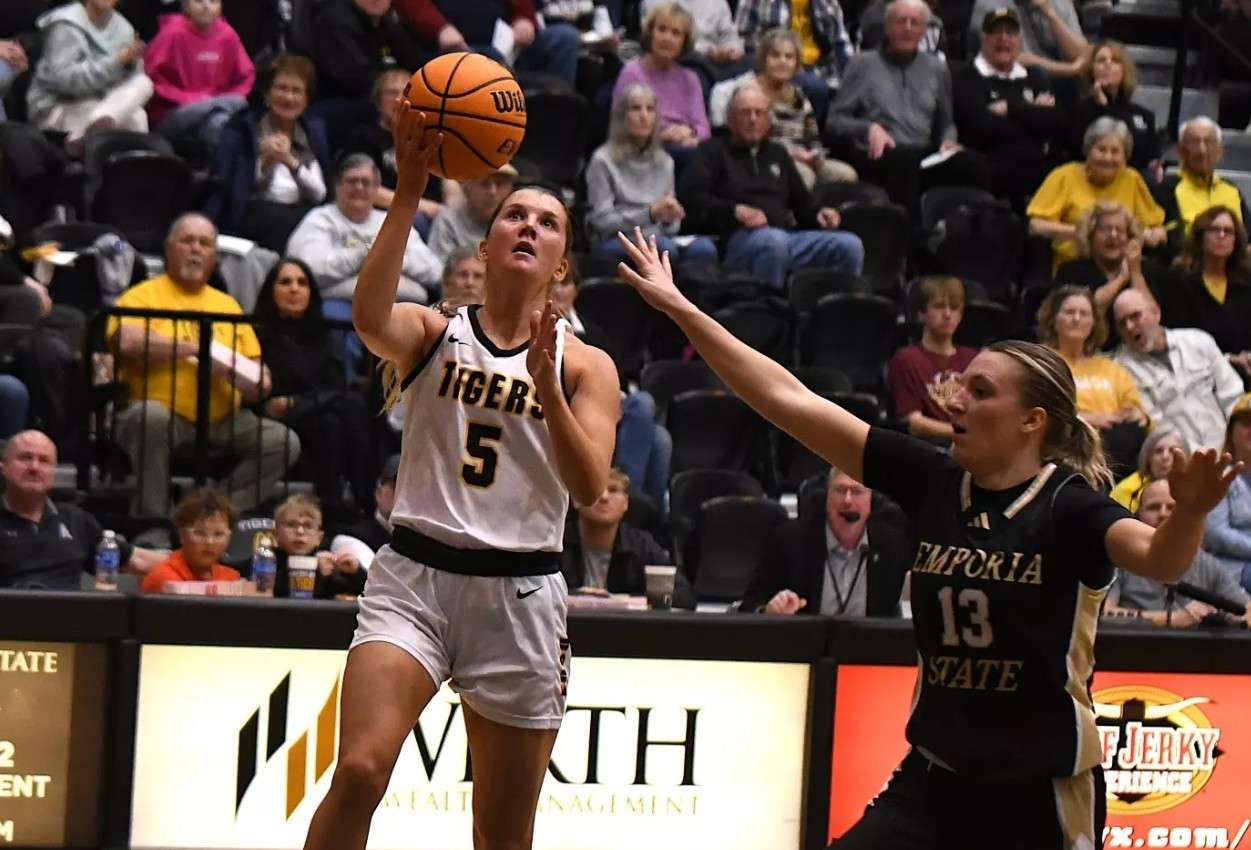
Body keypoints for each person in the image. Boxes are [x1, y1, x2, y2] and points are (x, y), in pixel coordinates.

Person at [615, 224, 1240, 849]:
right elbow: (789, 400)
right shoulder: (932, 480)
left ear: (1032, 420)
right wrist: (682, 309)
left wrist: (1189, 511)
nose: (956, 401)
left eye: (980, 391)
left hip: (1039, 794)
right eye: (962, 386)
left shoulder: (1069, 508)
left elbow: (1162, 561)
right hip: (934, 782)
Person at [301, 106, 620, 850]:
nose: (528, 227)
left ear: (561, 266)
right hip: (415, 576)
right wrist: (408, 187)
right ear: (487, 240)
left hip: (520, 593)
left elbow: (588, 487)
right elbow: (370, 317)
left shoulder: (584, 366)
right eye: (514, 215)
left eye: (546, 222)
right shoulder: (437, 331)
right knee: (358, 771)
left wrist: (543, 381)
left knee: (502, 837)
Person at [109, 214, 300, 518]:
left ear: (214, 257)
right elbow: (126, 340)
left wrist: (246, 378)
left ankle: (209, 515)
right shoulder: (142, 294)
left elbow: (259, 376)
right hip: (162, 412)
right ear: (170, 250)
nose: (196, 249)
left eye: (205, 243)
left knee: (282, 441)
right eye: (187, 241)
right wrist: (195, 349)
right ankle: (154, 520)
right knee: (150, 418)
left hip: (223, 417)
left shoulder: (228, 305)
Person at [680, 83, 864, 289]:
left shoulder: (778, 153)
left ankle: (832, 316)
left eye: (759, 113)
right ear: (730, 119)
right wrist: (733, 211)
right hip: (736, 240)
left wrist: (820, 215)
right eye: (745, 113)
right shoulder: (712, 150)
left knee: (849, 245)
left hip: (786, 237)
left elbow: (803, 206)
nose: (752, 119)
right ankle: (768, 313)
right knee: (774, 242)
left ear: (768, 120)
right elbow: (690, 196)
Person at [826, 0, 989, 213]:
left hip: (924, 152)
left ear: (924, 30)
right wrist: (868, 129)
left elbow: (946, 122)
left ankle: (964, 232)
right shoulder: (863, 64)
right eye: (900, 21)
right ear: (887, 27)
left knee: (975, 165)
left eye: (915, 23)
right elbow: (835, 120)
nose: (907, 28)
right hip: (882, 152)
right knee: (904, 165)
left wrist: (949, 141)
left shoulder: (937, 69)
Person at [253, 258, 374, 520]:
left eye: (302, 282)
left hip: (316, 413)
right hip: (278, 418)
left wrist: (296, 401)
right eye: (285, 282)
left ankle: (335, 506)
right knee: (350, 404)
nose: (294, 289)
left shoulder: (326, 334)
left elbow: (335, 385)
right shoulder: (256, 333)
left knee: (334, 419)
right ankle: (365, 500)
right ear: (270, 290)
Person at [0, 429, 164, 589]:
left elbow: (138, 560)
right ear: (3, 466)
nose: (34, 467)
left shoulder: (75, 519)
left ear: (53, 472)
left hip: (68, 614)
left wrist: (187, 558)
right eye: (25, 458)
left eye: (44, 460)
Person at [740, 466, 911, 615]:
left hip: (871, 649)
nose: (847, 500)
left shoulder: (892, 546)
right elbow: (748, 608)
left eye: (857, 492)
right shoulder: (788, 541)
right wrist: (769, 611)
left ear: (870, 502)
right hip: (804, 648)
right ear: (827, 498)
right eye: (840, 490)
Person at [206, 53, 331, 252]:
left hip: (303, 213)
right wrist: (264, 163)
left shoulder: (313, 132)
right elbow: (234, 189)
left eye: (296, 91)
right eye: (282, 88)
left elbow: (321, 194)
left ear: (306, 99)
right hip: (254, 212)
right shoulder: (242, 129)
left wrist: (290, 161)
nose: (289, 97)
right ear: (267, 93)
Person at [585, 84, 718, 265]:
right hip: (617, 240)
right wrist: (649, 214)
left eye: (650, 109)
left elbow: (671, 228)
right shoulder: (602, 160)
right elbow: (601, 222)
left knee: (704, 249)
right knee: (665, 249)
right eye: (635, 108)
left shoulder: (665, 161)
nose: (644, 116)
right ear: (621, 116)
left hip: (658, 238)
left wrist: (670, 217)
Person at [286, 153, 439, 310]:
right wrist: (361, 255)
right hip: (342, 307)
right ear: (337, 186)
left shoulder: (393, 222)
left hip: (400, 306)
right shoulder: (319, 220)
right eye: (352, 181)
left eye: (365, 182)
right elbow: (307, 271)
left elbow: (434, 272)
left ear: (376, 188)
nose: (359, 187)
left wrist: (389, 259)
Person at [707, 29, 856, 186]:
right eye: (775, 55)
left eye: (789, 57)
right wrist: (790, 156)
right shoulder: (747, 91)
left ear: (797, 63)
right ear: (764, 59)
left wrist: (815, 155)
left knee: (846, 175)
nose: (782, 61)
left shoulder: (799, 95)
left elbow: (813, 138)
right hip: (762, 160)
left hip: (802, 158)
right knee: (802, 176)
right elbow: (746, 140)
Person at [951, 7, 1063, 211]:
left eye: (1010, 33)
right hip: (990, 167)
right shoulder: (966, 77)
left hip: (1035, 166)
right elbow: (981, 128)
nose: (1004, 39)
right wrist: (1032, 113)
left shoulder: (1034, 76)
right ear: (983, 38)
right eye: (996, 32)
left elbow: (1055, 121)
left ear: (1019, 41)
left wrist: (1011, 108)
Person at [1028, 117, 1166, 273]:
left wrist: (1152, 236)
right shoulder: (1064, 176)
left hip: (1123, 268)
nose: (1108, 158)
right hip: (1073, 266)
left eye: (1115, 152)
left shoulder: (1132, 179)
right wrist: (1084, 234)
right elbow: (1036, 225)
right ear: (1088, 151)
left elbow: (1158, 229)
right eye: (1101, 150)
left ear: (1125, 157)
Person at [1112, 288, 1243, 451]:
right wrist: (1197, 455)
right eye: (1122, 323)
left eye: (1135, 316)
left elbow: (1232, 396)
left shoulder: (1198, 341)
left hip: (1230, 448)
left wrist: (1237, 443)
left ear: (1156, 313)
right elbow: (1156, 425)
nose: (1130, 327)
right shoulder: (1122, 369)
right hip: (1180, 460)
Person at [1036, 286, 1149, 476]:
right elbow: (1040, 410)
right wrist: (1088, 419)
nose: (1077, 318)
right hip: (1066, 446)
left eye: (1084, 314)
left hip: (1115, 448)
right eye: (1070, 312)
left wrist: (1135, 413)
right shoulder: (1043, 362)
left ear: (1093, 323)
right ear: (1054, 320)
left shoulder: (1112, 368)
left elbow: (1136, 409)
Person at [1106, 478, 1250, 626]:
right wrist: (1169, 619)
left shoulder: (1206, 564)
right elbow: (1103, 614)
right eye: (1153, 507)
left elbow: (1247, 610)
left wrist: (1219, 619)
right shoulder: (1121, 558)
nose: (1163, 514)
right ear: (1139, 514)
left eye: (1172, 508)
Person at [26, 0, 154, 155]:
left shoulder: (124, 28)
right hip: (59, 105)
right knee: (136, 119)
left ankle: (88, 132)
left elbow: (129, 83)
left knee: (143, 83)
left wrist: (129, 65)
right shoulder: (66, 25)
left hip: (100, 103)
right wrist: (117, 62)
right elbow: (64, 81)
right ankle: (114, 168)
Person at [560, 467, 694, 608]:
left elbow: (685, 595)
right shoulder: (555, 543)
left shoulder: (642, 545)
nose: (604, 497)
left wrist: (641, 601)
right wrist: (576, 596)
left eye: (613, 490)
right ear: (576, 500)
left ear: (626, 503)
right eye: (595, 488)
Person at [339, 67, 453, 223]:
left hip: (436, 214)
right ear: (378, 102)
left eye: (406, 93)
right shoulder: (363, 139)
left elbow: (448, 179)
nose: (400, 100)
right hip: (388, 214)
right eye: (392, 93)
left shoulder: (428, 136)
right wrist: (423, 206)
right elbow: (364, 189)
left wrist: (453, 211)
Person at [143, 0, 254, 159]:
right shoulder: (171, 33)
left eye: (213, 1)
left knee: (219, 122)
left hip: (216, 109)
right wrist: (189, 98)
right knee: (236, 104)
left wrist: (219, 102)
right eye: (198, 1)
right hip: (174, 113)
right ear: (186, 5)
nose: (206, 6)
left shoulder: (228, 34)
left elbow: (246, 75)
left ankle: (223, 176)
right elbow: (150, 77)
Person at [394, 0, 581, 87]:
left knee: (564, 37)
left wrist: (523, 19)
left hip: (509, 45)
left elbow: (523, 7)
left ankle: (558, 121)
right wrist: (440, 28)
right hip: (454, 52)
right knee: (489, 57)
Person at [612, 3, 710, 170]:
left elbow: (703, 127)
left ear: (684, 41)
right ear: (651, 33)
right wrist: (662, 135)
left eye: (676, 33)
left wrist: (690, 135)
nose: (667, 38)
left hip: (684, 146)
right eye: (662, 29)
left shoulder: (690, 79)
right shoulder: (632, 72)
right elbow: (620, 123)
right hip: (643, 147)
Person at [888, 276, 979, 444]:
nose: (947, 314)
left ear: (961, 315)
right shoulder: (906, 359)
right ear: (922, 313)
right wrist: (964, 433)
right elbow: (914, 422)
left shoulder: (973, 358)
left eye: (954, 308)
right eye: (938, 307)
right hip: (930, 448)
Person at [1053, 201, 1169, 318]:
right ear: (1089, 236)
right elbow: (1085, 313)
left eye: (1120, 230)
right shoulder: (1071, 271)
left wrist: (1135, 274)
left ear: (1130, 238)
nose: (1113, 235)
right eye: (1104, 229)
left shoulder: (1148, 270)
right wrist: (1121, 279)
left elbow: (1151, 318)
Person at [1068, 41, 1162, 183]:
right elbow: (1079, 151)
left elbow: (1146, 156)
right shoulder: (1078, 111)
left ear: (1124, 69)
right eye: (1101, 60)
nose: (1108, 64)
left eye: (1115, 60)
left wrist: (1155, 164)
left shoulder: (1143, 115)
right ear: (1091, 70)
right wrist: (1103, 107)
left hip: (1131, 185)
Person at [733, 0, 852, 112]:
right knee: (816, 87)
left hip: (824, 68)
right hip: (776, 64)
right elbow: (743, 36)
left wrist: (854, 71)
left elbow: (841, 40)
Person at [1166, 205, 1251, 358]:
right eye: (1214, 230)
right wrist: (1228, 360)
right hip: (1199, 373)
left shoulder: (1245, 281)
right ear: (1200, 237)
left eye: (1229, 231)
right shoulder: (1179, 282)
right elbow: (1182, 342)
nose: (1222, 235)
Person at [308, 0, 428, 103]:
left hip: (375, 93)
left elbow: (412, 59)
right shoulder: (335, 18)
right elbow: (355, 78)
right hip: (342, 101)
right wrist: (396, 81)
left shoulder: (386, 17)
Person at [1158, 117, 1250, 253]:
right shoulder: (1165, 189)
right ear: (1181, 151)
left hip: (1233, 268)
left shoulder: (1231, 189)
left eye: (1209, 142)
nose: (1202, 150)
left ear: (1220, 152)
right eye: (1194, 142)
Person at [141, 487, 242, 593]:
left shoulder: (231, 577)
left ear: (230, 536)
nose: (209, 542)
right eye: (199, 533)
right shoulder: (163, 577)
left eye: (218, 534)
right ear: (182, 535)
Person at [270, 493, 367, 599]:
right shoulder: (262, 563)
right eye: (291, 525)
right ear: (276, 534)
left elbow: (372, 596)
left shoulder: (327, 567)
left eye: (308, 526)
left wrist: (355, 573)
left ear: (319, 538)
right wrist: (311, 572)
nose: (300, 531)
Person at [968, 0, 1088, 83]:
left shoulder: (1058, 3)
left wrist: (1050, 13)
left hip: (1062, 81)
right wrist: (1069, 70)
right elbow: (1011, 59)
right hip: (1012, 81)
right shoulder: (989, 4)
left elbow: (1081, 54)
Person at [1204, 393, 1251, 591]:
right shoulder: (1218, 475)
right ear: (1231, 432)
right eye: (1246, 422)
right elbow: (1215, 533)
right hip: (1233, 570)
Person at [425, 162, 517, 263]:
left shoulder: (517, 225)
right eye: (485, 184)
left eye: (499, 184)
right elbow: (440, 273)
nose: (492, 191)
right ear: (466, 188)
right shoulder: (448, 221)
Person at [642, 0, 745, 81]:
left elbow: (730, 37)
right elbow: (650, 34)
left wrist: (730, 51)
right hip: (683, 58)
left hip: (719, 62)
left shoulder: (718, 3)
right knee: (697, 67)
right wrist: (708, 51)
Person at [436, 245, 486, 310]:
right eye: (463, 275)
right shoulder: (426, 317)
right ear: (447, 281)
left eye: (478, 276)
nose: (470, 282)